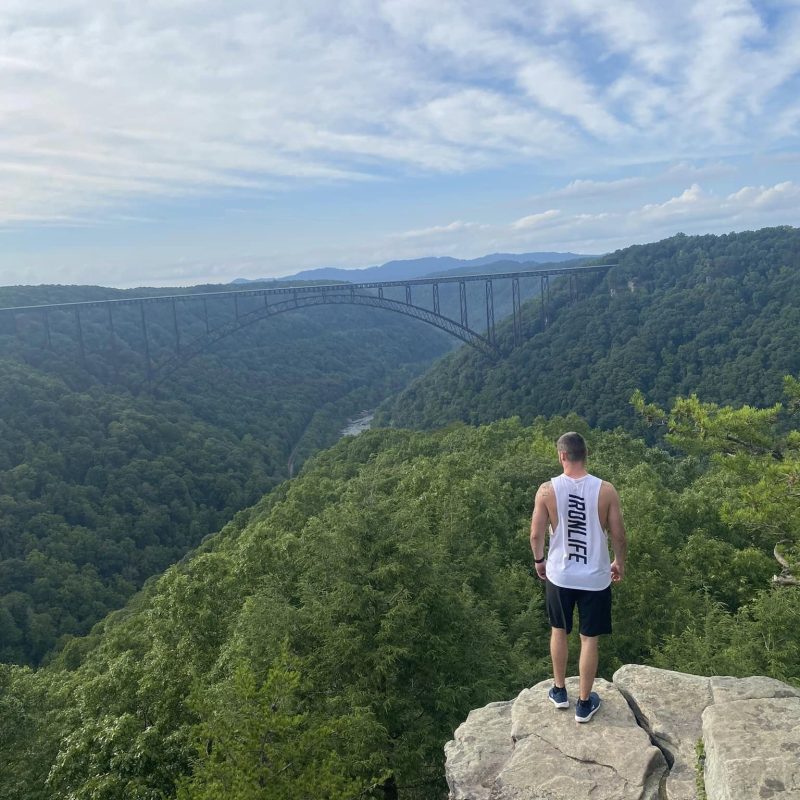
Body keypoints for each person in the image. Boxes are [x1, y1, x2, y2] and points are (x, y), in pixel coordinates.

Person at [529, 431, 627, 723]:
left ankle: (559, 691)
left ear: (562, 456)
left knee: (559, 630)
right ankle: (584, 704)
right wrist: (619, 562)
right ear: (586, 454)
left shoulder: (547, 490)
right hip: (595, 578)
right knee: (589, 640)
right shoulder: (605, 490)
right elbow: (619, 535)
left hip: (559, 574)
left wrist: (539, 561)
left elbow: (536, 534)